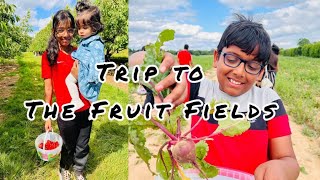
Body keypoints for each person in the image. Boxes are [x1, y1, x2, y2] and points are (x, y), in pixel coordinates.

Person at [130, 14, 299, 180]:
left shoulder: (268, 101)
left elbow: (288, 160)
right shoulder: (198, 89)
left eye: (252, 66)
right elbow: (133, 61)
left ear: (261, 72)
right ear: (216, 58)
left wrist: (281, 168)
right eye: (232, 59)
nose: (239, 72)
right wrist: (162, 61)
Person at [42, 9, 92, 180]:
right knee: (68, 144)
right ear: (54, 31)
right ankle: (64, 167)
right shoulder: (49, 56)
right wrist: (47, 116)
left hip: (86, 107)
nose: (66, 34)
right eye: (61, 30)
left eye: (70, 30)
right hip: (66, 111)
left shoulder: (80, 52)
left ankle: (79, 170)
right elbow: (49, 89)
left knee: (83, 144)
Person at [65, 0, 104, 110]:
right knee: (70, 81)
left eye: (85, 28)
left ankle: (81, 102)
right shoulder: (86, 40)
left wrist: (94, 76)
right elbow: (82, 53)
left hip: (87, 73)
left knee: (90, 91)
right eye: (79, 28)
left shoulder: (96, 43)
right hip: (82, 69)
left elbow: (99, 61)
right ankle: (77, 101)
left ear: (95, 27)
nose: (81, 31)